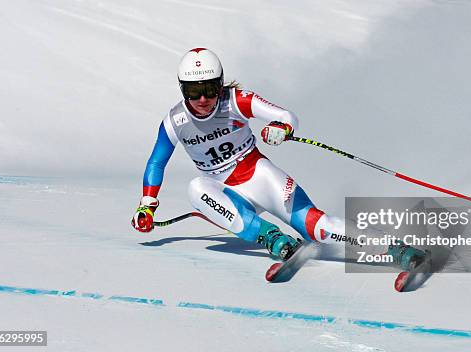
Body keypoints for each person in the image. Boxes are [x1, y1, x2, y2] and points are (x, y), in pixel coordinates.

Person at [131, 48, 425, 268]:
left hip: (260, 177)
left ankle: (395, 248)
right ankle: (272, 238)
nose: (203, 99)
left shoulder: (236, 101)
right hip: (229, 194)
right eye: (194, 91)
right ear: (183, 90)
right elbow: (157, 162)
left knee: (316, 227)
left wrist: (281, 128)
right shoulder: (175, 121)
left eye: (209, 89)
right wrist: (147, 206)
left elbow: (287, 116)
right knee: (196, 188)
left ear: (220, 85)